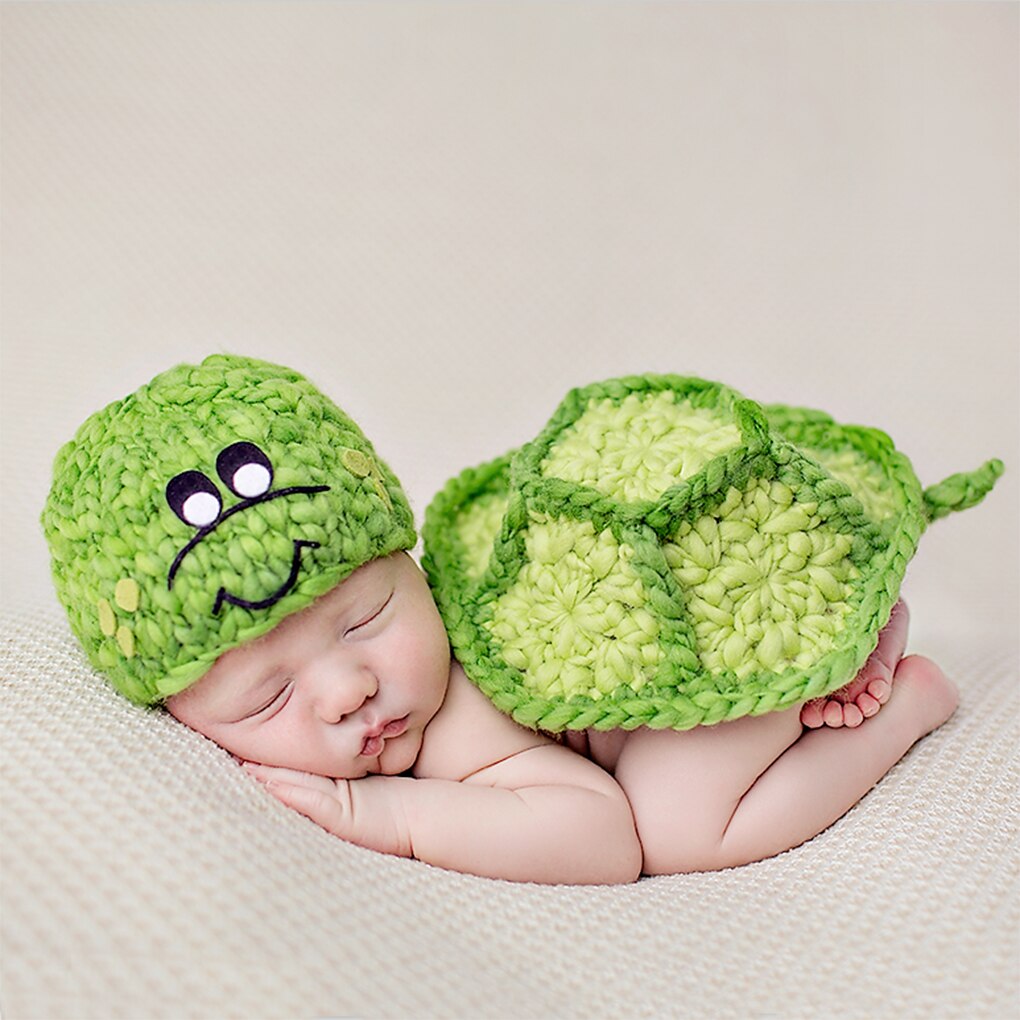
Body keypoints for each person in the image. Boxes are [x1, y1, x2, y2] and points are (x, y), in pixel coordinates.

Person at [43, 355, 961, 885]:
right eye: (266, 697)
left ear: (409, 562)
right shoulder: (379, 698)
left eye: (365, 620)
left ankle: (902, 702)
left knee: (678, 829)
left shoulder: (452, 724)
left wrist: (390, 814)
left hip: (712, 650)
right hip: (704, 631)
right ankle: (852, 647)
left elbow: (602, 838)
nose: (349, 689)